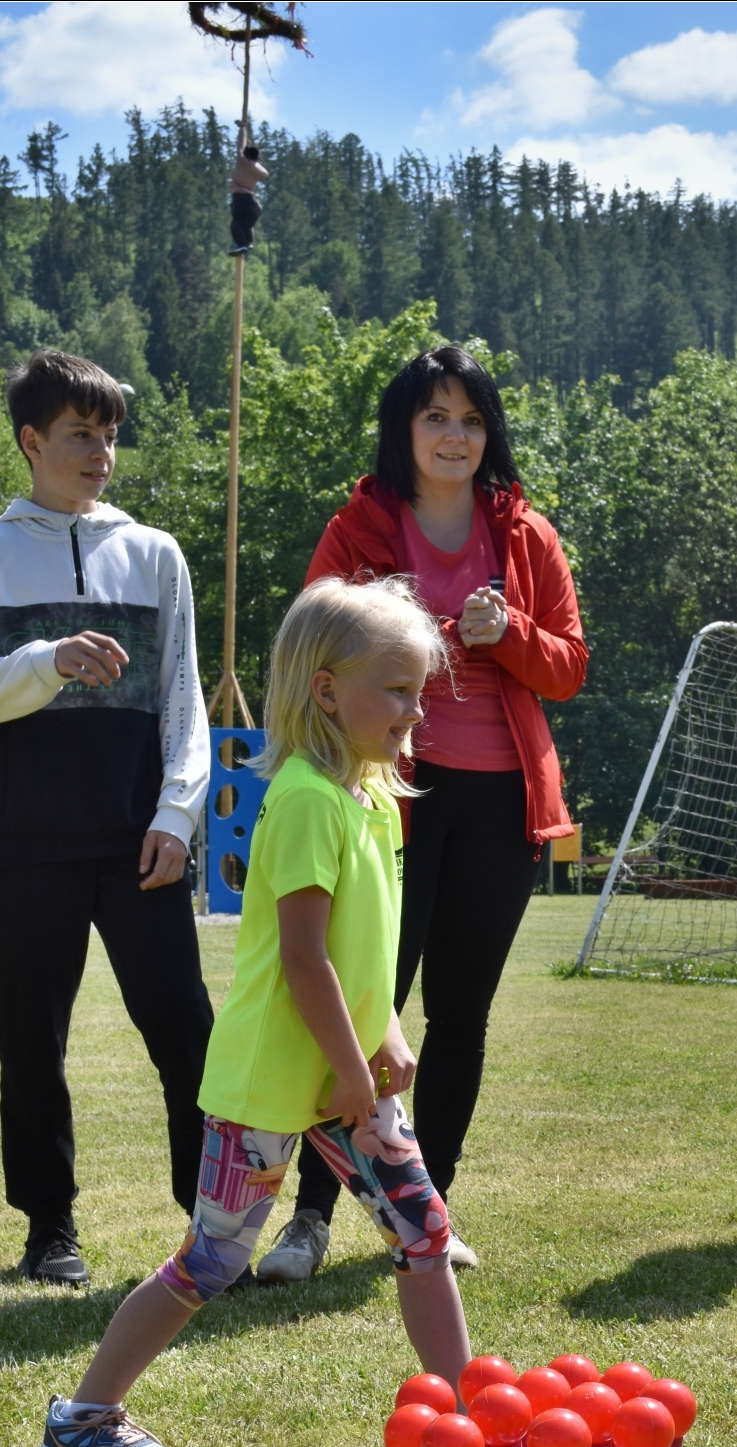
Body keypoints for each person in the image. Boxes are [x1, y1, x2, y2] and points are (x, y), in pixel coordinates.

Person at [35, 577, 475, 1447]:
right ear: (326, 690)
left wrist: (386, 1030)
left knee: (424, 1235)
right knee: (212, 1260)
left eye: (420, 691)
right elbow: (305, 960)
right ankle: (83, 1419)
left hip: (350, 1077)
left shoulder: (373, 798)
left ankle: (471, 1415)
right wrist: (351, 1071)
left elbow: (362, 949)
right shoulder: (308, 798)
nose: (414, 709)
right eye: (397, 689)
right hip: (274, 1082)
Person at [255, 344, 587, 1284]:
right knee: (363, 1006)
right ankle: (309, 1222)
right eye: (435, 416)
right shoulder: (358, 527)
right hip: (384, 797)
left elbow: (569, 666)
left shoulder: (529, 534)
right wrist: (419, 633)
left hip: (502, 801)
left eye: (471, 419)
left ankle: (423, 1217)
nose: (454, 436)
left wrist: (510, 632)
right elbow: (311, 646)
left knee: (461, 1016)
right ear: (403, 429)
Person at [0, 349, 213, 1285]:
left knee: (187, 1031)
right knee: (31, 1042)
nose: (101, 455)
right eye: (80, 436)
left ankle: (212, 1224)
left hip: (141, 841)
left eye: (110, 436)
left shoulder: (155, 554)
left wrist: (177, 814)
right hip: (29, 843)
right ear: (31, 440)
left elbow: (183, 697)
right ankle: (49, 1229)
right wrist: (48, 659)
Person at [229, 125, 267, 255]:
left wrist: (242, 129)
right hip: (254, 204)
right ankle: (248, 243)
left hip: (241, 200)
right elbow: (254, 162)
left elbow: (240, 147)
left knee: (236, 223)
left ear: (247, 156)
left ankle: (241, 244)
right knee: (247, 225)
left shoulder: (242, 162)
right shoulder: (260, 171)